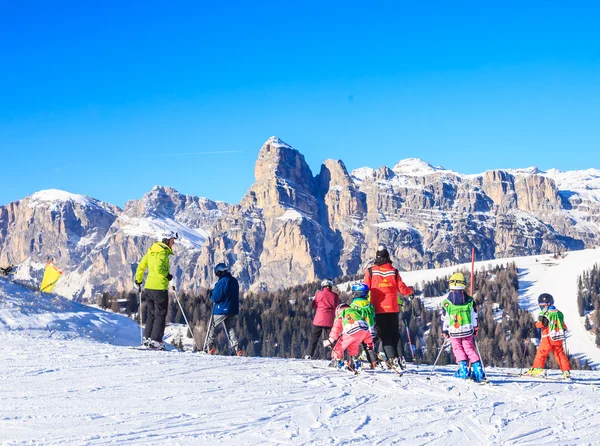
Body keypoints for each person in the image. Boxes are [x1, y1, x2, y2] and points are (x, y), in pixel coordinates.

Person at [363, 245, 414, 369]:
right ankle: (401, 358)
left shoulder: (370, 271)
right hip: (392, 307)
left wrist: (360, 301)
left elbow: (365, 287)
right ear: (388, 257)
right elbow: (402, 289)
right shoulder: (394, 271)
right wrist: (410, 291)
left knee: (384, 335)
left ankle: (392, 359)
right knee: (395, 333)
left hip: (378, 307)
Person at [134, 231, 177, 350]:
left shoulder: (151, 251)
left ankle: (148, 339)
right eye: (172, 240)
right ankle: (156, 341)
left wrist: (138, 280)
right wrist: (168, 276)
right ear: (166, 240)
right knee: (160, 315)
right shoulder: (162, 252)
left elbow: (141, 266)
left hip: (148, 288)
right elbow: (159, 269)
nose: (173, 242)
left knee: (151, 315)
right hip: (159, 288)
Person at [441, 272, 486, 383]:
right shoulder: (470, 301)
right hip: (467, 331)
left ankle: (463, 370)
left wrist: (444, 330)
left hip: (454, 332)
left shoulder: (447, 303)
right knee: (469, 349)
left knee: (458, 349)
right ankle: (478, 371)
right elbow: (474, 316)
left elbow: (445, 318)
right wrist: (475, 327)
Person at [324, 283, 377, 370]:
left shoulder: (342, 314)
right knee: (353, 346)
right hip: (363, 330)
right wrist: (369, 344)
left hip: (351, 331)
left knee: (339, 346)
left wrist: (330, 340)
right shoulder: (356, 313)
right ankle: (353, 361)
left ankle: (336, 361)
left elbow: (335, 330)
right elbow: (366, 331)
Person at [524, 293, 571, 379]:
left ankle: (537, 369)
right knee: (559, 354)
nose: (541, 307)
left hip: (548, 337)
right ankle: (566, 371)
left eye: (541, 305)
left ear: (545, 305)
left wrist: (534, 325)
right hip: (558, 337)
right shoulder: (559, 313)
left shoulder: (545, 313)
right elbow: (563, 326)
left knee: (541, 353)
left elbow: (543, 323)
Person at [205, 262, 242, 356]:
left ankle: (209, 347)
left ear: (219, 272)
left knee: (212, 326)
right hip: (233, 309)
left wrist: (211, 294)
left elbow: (216, 297)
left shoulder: (222, 281)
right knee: (231, 329)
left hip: (221, 309)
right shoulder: (234, 280)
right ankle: (237, 349)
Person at [304, 278, 340, 359]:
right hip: (330, 320)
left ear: (322, 286)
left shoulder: (318, 294)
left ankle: (308, 354)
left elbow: (314, 305)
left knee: (314, 337)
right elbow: (337, 307)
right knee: (331, 339)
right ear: (330, 286)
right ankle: (337, 356)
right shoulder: (335, 296)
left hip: (318, 320)